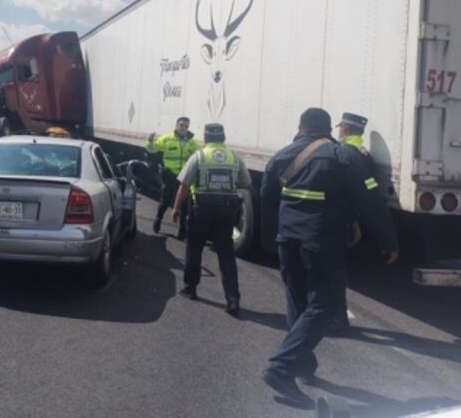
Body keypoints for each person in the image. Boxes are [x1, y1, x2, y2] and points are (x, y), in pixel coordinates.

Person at [260, 108, 399, 407]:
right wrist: (388, 241)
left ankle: (303, 366)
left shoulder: (282, 155)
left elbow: (268, 196)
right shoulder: (342, 156)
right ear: (328, 129)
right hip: (322, 241)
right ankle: (281, 367)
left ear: (301, 128)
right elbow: (370, 201)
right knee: (325, 302)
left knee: (297, 303)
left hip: (288, 239)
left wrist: (290, 219)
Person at [171, 123, 251, 315]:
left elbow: (184, 185)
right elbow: (246, 182)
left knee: (194, 250)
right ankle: (233, 301)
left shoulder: (199, 156)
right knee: (226, 255)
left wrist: (176, 207)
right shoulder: (234, 157)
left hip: (202, 209)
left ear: (206, 138)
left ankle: (190, 289)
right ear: (223, 138)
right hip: (226, 211)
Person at [333, 111, 378, 330]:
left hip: (342, 219)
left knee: (333, 273)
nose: (339, 130)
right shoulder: (363, 153)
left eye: (340, 127)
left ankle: (338, 320)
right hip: (354, 217)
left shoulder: (343, 152)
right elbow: (369, 187)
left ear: (346, 129)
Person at [146, 117, 201, 238]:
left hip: (185, 176)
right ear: (176, 125)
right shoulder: (167, 138)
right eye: (181, 125)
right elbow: (153, 149)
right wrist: (150, 141)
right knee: (165, 200)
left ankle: (182, 230)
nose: (184, 128)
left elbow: (199, 155)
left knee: (184, 203)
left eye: (186, 126)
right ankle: (158, 219)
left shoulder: (192, 142)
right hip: (170, 174)